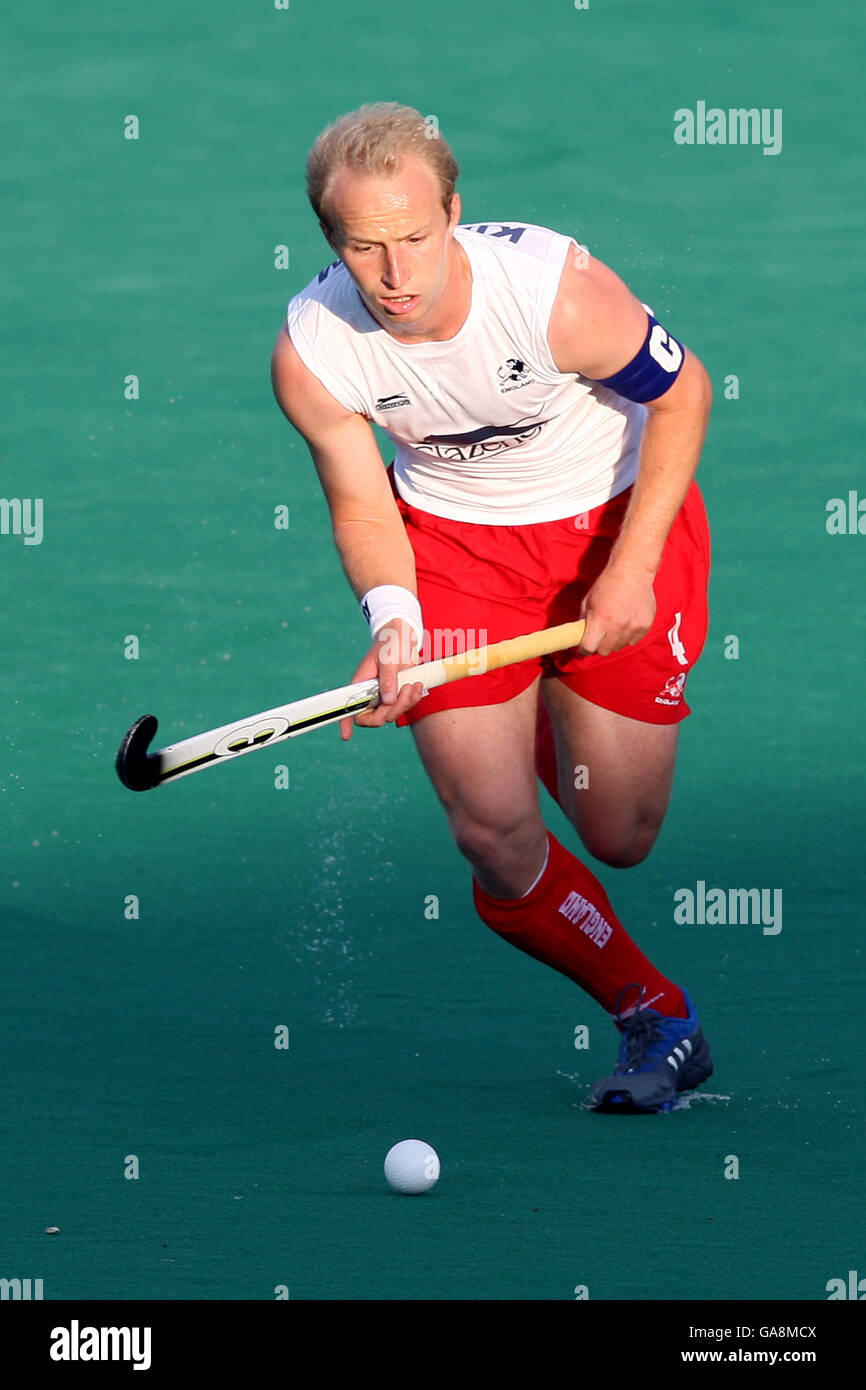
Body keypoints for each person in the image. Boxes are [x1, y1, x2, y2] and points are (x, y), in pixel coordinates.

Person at [271, 103, 714, 1112]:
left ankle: (528, 703)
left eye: (416, 237)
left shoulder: (551, 295)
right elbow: (363, 507)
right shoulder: (312, 352)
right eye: (364, 247)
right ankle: (654, 1014)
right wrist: (395, 622)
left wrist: (631, 569)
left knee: (619, 830)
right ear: (331, 243)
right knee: (492, 829)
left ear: (453, 212)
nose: (396, 276)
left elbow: (683, 394)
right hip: (455, 554)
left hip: (611, 524)